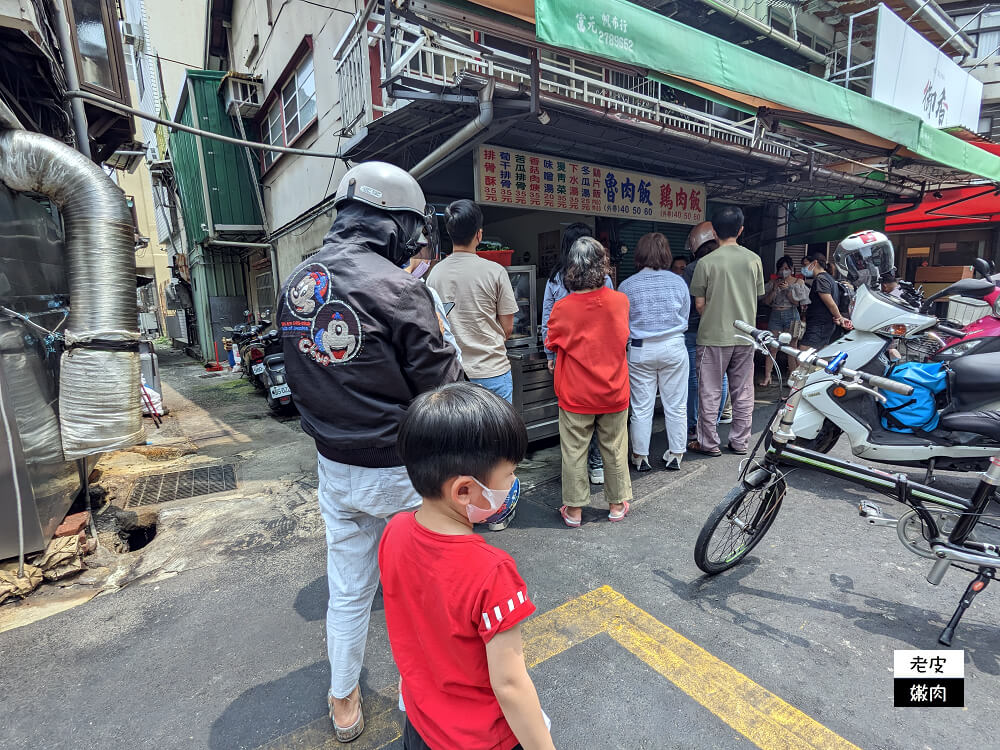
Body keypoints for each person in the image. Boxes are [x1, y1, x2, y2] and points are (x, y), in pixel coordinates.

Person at [278, 161, 463, 742]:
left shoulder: (297, 283)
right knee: (423, 594)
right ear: (394, 227)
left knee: (350, 589)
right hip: (401, 469)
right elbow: (443, 386)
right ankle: (424, 703)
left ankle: (344, 703)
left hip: (334, 466)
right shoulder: (401, 288)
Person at [382, 383, 554, 750]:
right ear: (464, 491)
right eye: (509, 475)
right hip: (482, 740)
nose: (512, 484)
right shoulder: (491, 572)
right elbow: (510, 685)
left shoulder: (394, 531)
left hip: (421, 722)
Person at [546, 237, 633, 526]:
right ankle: (617, 505)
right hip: (614, 389)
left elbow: (553, 340)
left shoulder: (562, 307)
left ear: (571, 267)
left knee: (573, 450)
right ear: (602, 265)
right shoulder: (620, 302)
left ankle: (573, 511)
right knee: (614, 447)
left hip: (576, 392)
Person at [688, 206, 765, 457]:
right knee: (743, 390)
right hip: (745, 336)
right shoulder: (754, 260)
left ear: (713, 232)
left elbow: (699, 304)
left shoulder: (706, 263)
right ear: (741, 230)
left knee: (709, 391)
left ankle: (708, 443)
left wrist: (714, 315)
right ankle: (740, 441)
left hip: (712, 336)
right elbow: (757, 296)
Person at [541, 222, 613, 485]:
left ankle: (577, 470)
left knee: (574, 415)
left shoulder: (555, 278)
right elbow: (612, 318)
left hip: (567, 354)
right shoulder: (604, 280)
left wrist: (550, 353)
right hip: (598, 354)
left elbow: (547, 318)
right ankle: (595, 465)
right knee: (599, 410)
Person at [427, 199, 519, 402]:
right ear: (479, 234)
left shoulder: (434, 274)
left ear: (450, 234)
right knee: (498, 433)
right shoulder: (495, 272)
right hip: (492, 371)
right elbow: (508, 328)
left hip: (453, 373)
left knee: (459, 434)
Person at [618, 233, 689, 472]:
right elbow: (685, 315)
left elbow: (622, 323)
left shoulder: (627, 285)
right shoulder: (678, 282)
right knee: (676, 404)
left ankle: (640, 456)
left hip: (640, 349)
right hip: (673, 346)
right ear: (666, 254)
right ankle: (676, 454)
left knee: (640, 406)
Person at [682, 222, 729, 440]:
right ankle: (713, 423)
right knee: (721, 377)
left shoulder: (694, 268)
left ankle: (694, 426)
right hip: (727, 328)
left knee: (695, 379)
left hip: (695, 330)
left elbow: (690, 303)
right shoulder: (733, 263)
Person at [759, 256, 808, 386]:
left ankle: (793, 379)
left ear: (792, 269)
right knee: (772, 346)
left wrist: (788, 290)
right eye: (781, 268)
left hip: (791, 314)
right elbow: (765, 301)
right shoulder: (773, 282)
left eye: (787, 268)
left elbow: (797, 302)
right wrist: (775, 290)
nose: (784, 271)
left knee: (792, 348)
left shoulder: (798, 282)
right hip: (775, 314)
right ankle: (767, 376)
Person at [799, 250, 850, 351]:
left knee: (804, 353)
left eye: (806, 265)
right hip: (824, 325)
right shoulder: (829, 278)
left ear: (814, 263)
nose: (804, 268)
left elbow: (831, 303)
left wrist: (839, 318)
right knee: (816, 355)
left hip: (819, 325)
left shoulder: (820, 279)